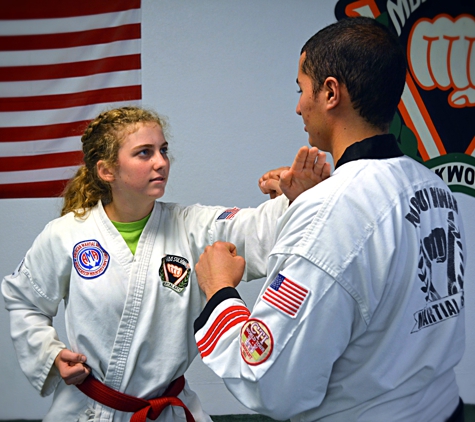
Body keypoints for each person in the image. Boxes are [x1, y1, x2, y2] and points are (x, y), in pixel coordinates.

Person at [193, 17, 466, 422]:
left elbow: (266, 380)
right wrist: (306, 208)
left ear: (331, 92)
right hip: (440, 408)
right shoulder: (432, 188)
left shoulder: (331, 212)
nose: (298, 105)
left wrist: (218, 290)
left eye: (302, 89)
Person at [1, 106, 330, 422]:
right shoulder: (67, 234)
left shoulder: (190, 225)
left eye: (163, 150)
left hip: (166, 411)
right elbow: (22, 300)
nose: (161, 162)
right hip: (90, 410)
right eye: (144, 153)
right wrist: (49, 354)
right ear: (106, 170)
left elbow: (254, 229)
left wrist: (297, 201)